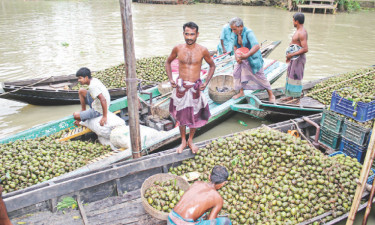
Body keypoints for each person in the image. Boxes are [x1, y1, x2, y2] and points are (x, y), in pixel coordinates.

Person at [166, 22, 216, 154]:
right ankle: (183, 141)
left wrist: (206, 81)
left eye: (192, 34)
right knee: (181, 116)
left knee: (195, 116)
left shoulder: (202, 50)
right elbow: (168, 62)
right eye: (187, 34)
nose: (189, 37)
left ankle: (190, 140)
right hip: (181, 87)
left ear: (197, 35)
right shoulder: (178, 48)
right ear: (183, 34)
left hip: (195, 87)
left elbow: (212, 65)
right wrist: (171, 79)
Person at [229, 17, 275, 102]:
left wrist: (246, 55)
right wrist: (236, 57)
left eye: (234, 29)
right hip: (241, 57)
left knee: (260, 76)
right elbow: (235, 46)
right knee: (236, 73)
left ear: (241, 26)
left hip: (253, 58)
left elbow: (256, 46)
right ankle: (241, 92)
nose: (233, 31)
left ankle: (271, 94)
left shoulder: (248, 32)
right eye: (232, 29)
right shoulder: (235, 34)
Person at [283, 12, 308, 102]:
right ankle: (290, 95)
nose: (292, 22)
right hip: (293, 58)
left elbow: (305, 49)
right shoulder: (297, 31)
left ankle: (296, 97)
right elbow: (294, 45)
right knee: (290, 76)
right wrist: (289, 56)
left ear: (296, 21)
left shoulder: (302, 33)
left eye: (293, 20)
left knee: (296, 77)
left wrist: (291, 55)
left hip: (298, 59)